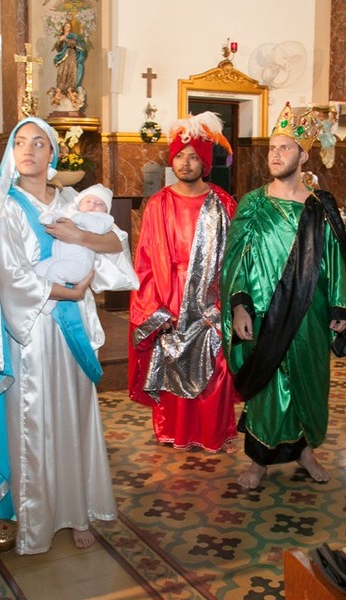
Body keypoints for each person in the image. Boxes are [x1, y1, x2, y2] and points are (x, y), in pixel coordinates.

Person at [0, 117, 137, 555]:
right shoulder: (6, 208)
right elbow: (12, 280)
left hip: (74, 326)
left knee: (76, 414)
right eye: (20, 142)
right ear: (11, 152)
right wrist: (70, 289)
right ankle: (38, 518)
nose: (28, 150)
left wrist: (78, 234)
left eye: (39, 143)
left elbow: (115, 244)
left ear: (53, 154)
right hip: (36, 331)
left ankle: (78, 510)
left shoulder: (72, 200)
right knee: (38, 421)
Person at [221, 102, 346, 490]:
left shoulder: (319, 206)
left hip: (310, 311)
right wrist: (239, 304)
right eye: (271, 149)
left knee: (309, 379)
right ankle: (258, 459)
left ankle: (306, 450)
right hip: (264, 312)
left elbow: (334, 258)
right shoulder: (254, 203)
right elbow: (234, 261)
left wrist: (340, 304)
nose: (275, 155)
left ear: (303, 155)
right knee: (268, 385)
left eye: (284, 148)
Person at [129, 112, 239, 452]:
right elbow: (146, 258)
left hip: (211, 302)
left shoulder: (222, 203)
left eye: (193, 156)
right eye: (180, 156)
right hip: (170, 296)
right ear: (172, 160)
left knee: (214, 366)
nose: (186, 163)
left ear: (205, 162)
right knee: (173, 363)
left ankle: (211, 432)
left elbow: (234, 259)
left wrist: (222, 304)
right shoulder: (159, 203)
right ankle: (174, 431)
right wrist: (155, 307)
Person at [33, 183, 122, 286]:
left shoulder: (103, 219)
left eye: (99, 204)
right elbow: (59, 212)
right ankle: (43, 297)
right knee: (39, 270)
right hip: (58, 257)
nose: (92, 205)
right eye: (88, 201)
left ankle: (53, 299)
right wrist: (49, 216)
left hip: (79, 262)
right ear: (80, 203)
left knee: (57, 271)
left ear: (106, 210)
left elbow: (99, 229)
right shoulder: (71, 210)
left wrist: (82, 218)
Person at [53, 19, 87, 94]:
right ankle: (60, 89)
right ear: (63, 27)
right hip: (63, 56)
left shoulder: (73, 36)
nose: (67, 28)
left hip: (71, 55)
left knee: (71, 71)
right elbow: (58, 48)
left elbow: (76, 45)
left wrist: (67, 40)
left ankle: (70, 89)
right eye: (66, 26)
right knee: (62, 72)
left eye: (68, 26)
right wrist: (60, 41)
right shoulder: (61, 36)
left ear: (70, 28)